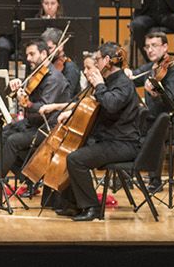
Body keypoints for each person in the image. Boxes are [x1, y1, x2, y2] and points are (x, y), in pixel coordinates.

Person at [0, 39, 71, 199]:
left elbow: (43, 109)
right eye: (27, 54)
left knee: (12, 141)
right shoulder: (36, 73)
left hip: (49, 128)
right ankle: (28, 178)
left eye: (32, 54)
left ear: (44, 54)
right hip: (32, 124)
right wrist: (13, 88)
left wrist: (26, 103)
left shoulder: (54, 79)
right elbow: (14, 95)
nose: (28, 58)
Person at [60, 42, 141, 221]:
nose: (95, 64)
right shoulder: (110, 81)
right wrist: (71, 113)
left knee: (76, 159)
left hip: (124, 143)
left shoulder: (123, 84)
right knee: (70, 150)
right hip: (109, 140)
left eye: (97, 59)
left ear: (106, 60)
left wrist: (99, 85)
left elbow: (111, 105)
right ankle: (73, 204)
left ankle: (92, 208)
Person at [132, 29, 174, 188]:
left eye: (154, 45)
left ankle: (155, 180)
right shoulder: (151, 68)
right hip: (158, 117)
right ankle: (129, 175)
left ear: (165, 47)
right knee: (130, 127)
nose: (150, 50)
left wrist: (153, 93)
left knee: (157, 131)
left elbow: (168, 99)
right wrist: (127, 74)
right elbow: (133, 78)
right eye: (147, 46)